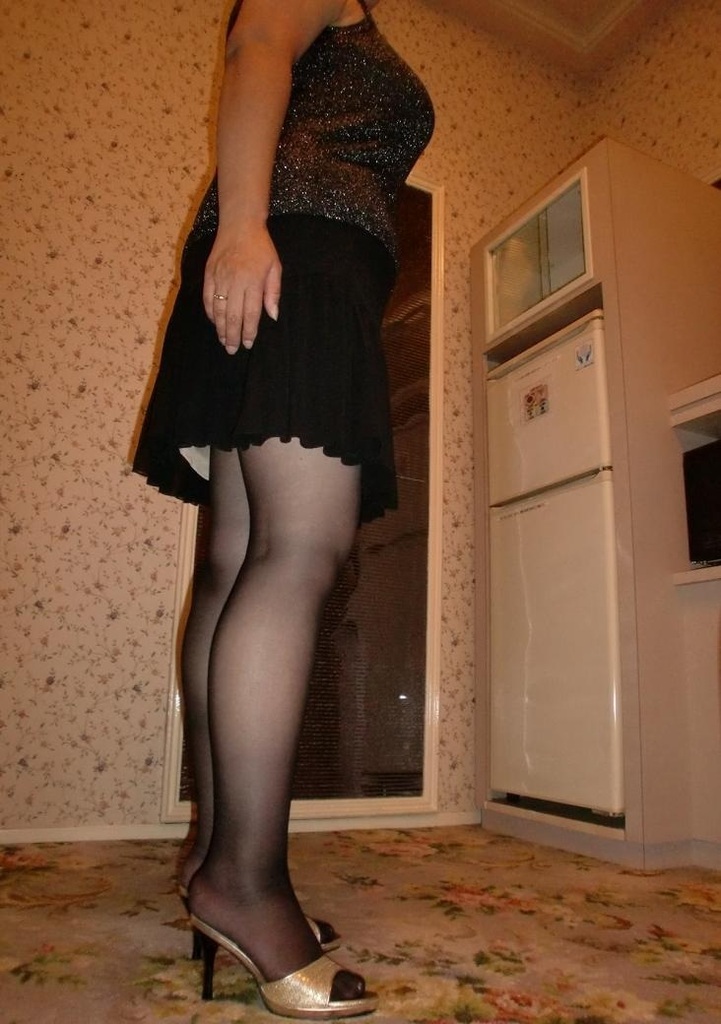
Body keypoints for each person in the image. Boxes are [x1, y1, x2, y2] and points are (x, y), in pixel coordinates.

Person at [132, 0, 434, 1016]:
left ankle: (218, 857)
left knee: (240, 559)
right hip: (294, 254)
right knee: (297, 551)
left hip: (278, 248)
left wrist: (246, 227)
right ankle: (245, 880)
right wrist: (244, 224)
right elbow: (258, 45)